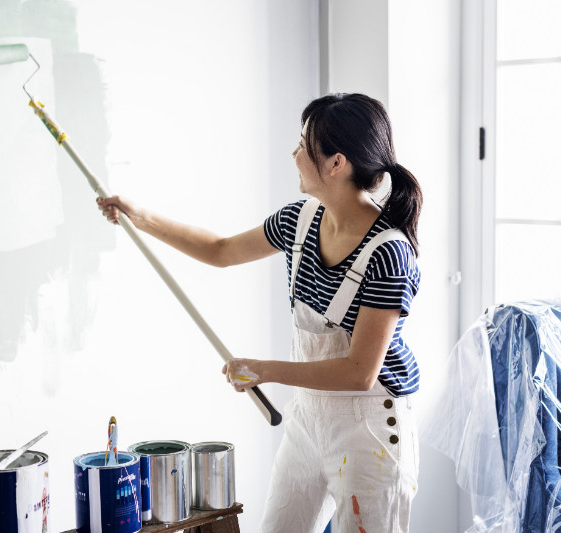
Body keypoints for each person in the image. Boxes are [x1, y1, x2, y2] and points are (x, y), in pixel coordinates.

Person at [97, 93, 422, 532]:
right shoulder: (299, 221)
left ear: (336, 164)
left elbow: (359, 372)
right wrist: (140, 218)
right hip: (308, 421)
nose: (294, 154)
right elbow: (220, 250)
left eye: (304, 146)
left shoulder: (389, 253)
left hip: (369, 433)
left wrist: (264, 370)